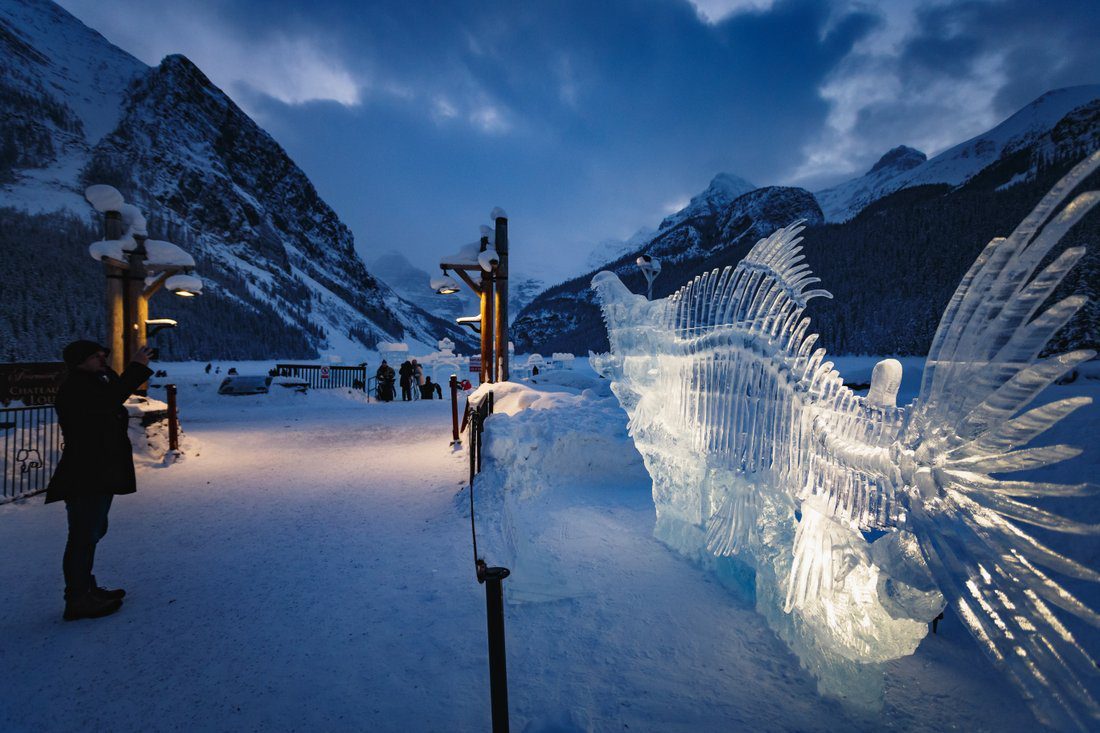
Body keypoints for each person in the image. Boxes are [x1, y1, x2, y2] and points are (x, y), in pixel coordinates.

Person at [45, 340, 153, 621]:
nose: (103, 358)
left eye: (104, 354)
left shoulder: (93, 381)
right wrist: (136, 368)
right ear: (80, 361)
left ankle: (85, 589)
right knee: (83, 535)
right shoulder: (77, 387)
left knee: (92, 531)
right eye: (96, 355)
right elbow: (108, 402)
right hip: (86, 473)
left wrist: (128, 369)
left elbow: (112, 393)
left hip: (97, 471)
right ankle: (78, 598)